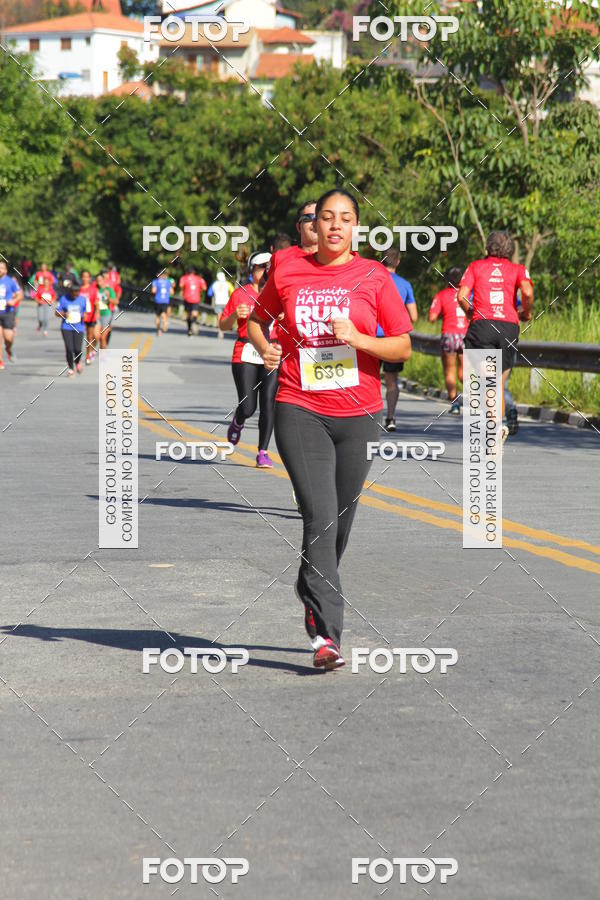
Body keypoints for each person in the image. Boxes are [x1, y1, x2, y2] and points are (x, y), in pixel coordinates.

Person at [247, 189, 413, 670]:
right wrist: (266, 348)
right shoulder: (287, 268)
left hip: (359, 413)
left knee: (339, 521)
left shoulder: (374, 276)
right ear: (314, 225)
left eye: (345, 219)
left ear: (356, 228)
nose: (335, 226)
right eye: (326, 218)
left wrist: (359, 338)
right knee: (318, 515)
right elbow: (258, 320)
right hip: (300, 406)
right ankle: (326, 635)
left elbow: (402, 348)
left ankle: (310, 582)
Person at [457, 231, 533, 443]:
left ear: (488, 248)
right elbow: (527, 292)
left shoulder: (476, 266)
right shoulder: (518, 269)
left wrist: (471, 313)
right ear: (511, 250)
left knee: (488, 383)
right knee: (498, 383)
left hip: (482, 326)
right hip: (508, 327)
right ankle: (497, 427)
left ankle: (493, 429)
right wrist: (526, 313)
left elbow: (461, 296)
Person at [220, 252, 277, 469]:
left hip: (272, 352)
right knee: (248, 406)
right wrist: (235, 315)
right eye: (261, 268)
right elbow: (223, 326)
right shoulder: (241, 294)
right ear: (251, 271)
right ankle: (239, 419)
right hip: (245, 351)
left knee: (268, 403)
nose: (265, 273)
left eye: (269, 268)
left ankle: (263, 452)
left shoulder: (280, 293)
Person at [378, 249, 418, 431]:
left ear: (381, 261)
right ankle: (390, 417)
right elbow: (414, 315)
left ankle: (365, 418)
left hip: (369, 337)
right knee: (392, 380)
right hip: (393, 338)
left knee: (367, 379)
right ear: (398, 262)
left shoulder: (372, 280)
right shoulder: (405, 284)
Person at [429, 267, 469, 415]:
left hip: (449, 335)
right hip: (465, 336)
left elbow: (432, 318)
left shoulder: (441, 295)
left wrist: (443, 314)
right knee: (463, 372)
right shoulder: (468, 294)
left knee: (449, 371)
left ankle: (455, 404)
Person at [55, 277, 89, 376]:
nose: (75, 295)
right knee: (69, 348)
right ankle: (71, 368)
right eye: (73, 293)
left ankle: (77, 362)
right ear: (70, 292)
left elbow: (86, 312)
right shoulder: (64, 298)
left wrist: (85, 316)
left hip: (79, 327)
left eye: (77, 292)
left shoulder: (83, 300)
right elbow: (56, 312)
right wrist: (63, 314)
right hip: (66, 327)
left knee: (78, 349)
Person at [0, 261, 23, 369]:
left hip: (8, 312)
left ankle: (8, 349)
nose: (0, 269)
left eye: (2, 268)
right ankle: (0, 361)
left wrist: (13, 302)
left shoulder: (10, 282)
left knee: (8, 338)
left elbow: (20, 295)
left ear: (6, 270)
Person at [179, 267, 208, 336]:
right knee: (195, 313)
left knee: (188, 315)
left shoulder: (184, 278)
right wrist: (199, 289)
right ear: (194, 272)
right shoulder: (199, 278)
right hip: (196, 299)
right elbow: (204, 288)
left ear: (187, 272)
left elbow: (181, 285)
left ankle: (189, 329)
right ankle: (194, 322)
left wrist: (185, 289)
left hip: (187, 298)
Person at [80, 270, 99, 364]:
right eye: (83, 276)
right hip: (79, 317)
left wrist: (97, 313)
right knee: (79, 337)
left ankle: (88, 355)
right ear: (81, 278)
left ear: (89, 278)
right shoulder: (78, 289)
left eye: (87, 277)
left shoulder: (93, 289)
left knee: (90, 337)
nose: (85, 278)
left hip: (91, 316)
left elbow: (96, 303)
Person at [208, 271, 234, 339]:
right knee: (225, 316)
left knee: (218, 317)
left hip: (217, 302)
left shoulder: (214, 284)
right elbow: (232, 292)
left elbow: (209, 293)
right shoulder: (228, 284)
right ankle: (225, 329)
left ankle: (220, 331)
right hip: (226, 303)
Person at [96, 271, 117, 350]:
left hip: (106, 314)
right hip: (96, 315)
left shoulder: (109, 290)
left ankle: (103, 356)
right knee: (96, 336)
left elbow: (116, 302)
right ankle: (92, 351)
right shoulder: (95, 289)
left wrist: (108, 297)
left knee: (102, 337)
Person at [152, 269, 173, 335]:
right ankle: (164, 322)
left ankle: (158, 330)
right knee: (164, 313)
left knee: (157, 316)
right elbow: (172, 292)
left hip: (158, 300)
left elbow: (153, 291)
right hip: (165, 300)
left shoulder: (156, 281)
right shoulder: (168, 282)